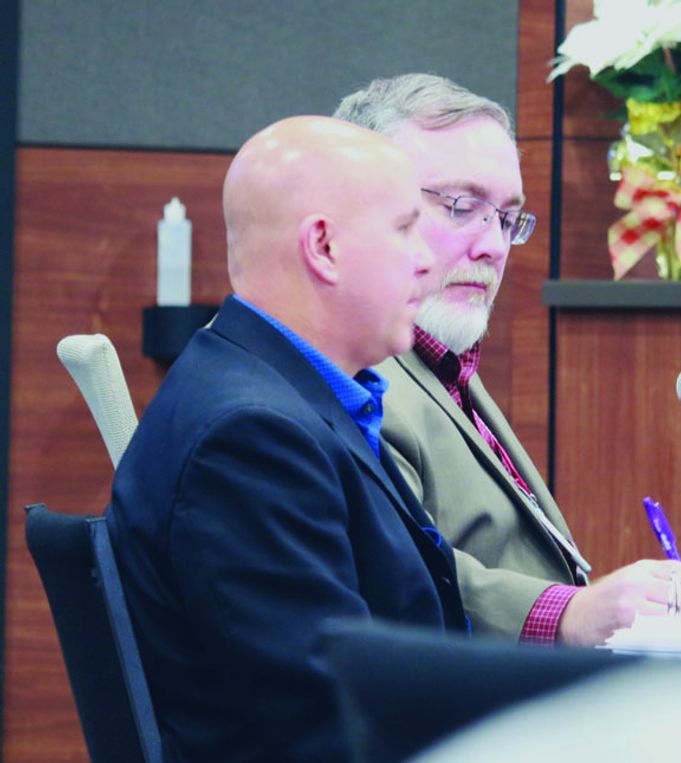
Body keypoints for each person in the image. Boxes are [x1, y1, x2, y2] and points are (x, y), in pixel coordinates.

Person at [106, 115, 467, 762]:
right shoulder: (250, 438)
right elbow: (331, 726)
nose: (427, 259)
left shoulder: (276, 395)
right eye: (405, 227)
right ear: (323, 246)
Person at [333, 75, 681, 647]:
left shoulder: (444, 359)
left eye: (507, 218)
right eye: (461, 207)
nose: (493, 245)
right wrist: (570, 614)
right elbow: (391, 571)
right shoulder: (348, 368)